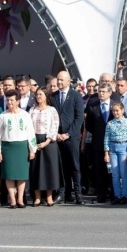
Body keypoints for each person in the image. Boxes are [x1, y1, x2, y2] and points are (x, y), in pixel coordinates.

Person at [0, 89, 37, 208]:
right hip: (7, 147)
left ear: (18, 101)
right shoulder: (3, 116)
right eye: (8, 100)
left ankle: (20, 199)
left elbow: (30, 132)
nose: (9, 102)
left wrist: (32, 149)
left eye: (12, 100)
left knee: (21, 175)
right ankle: (12, 199)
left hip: (22, 147)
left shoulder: (25, 115)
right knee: (9, 174)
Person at [51, 71, 85, 205]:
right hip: (58, 137)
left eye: (61, 80)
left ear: (68, 81)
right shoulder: (53, 96)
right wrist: (57, 133)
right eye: (58, 80)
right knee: (61, 166)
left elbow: (79, 118)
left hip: (71, 137)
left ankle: (78, 194)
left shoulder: (76, 95)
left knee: (74, 166)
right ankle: (64, 193)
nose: (59, 82)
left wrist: (68, 133)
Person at [29, 87, 62, 206]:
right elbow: (28, 127)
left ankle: (49, 197)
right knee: (35, 169)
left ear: (46, 96)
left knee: (49, 170)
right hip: (34, 140)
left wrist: (46, 142)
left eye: (41, 94)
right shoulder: (32, 110)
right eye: (37, 94)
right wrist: (32, 142)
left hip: (49, 142)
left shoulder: (52, 110)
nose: (38, 97)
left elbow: (54, 126)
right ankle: (37, 197)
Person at [84, 83, 115, 203]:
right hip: (98, 143)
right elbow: (89, 125)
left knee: (113, 170)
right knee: (99, 170)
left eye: (103, 92)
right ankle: (101, 194)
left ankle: (114, 194)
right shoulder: (93, 105)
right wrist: (99, 133)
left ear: (109, 93)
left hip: (113, 143)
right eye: (99, 92)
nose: (101, 94)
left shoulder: (115, 105)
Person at [104, 101, 127, 205]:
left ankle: (124, 195)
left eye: (117, 110)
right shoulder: (110, 123)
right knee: (115, 174)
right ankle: (117, 195)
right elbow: (106, 138)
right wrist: (106, 153)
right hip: (112, 148)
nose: (115, 113)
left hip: (123, 147)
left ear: (122, 110)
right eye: (113, 111)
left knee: (123, 173)